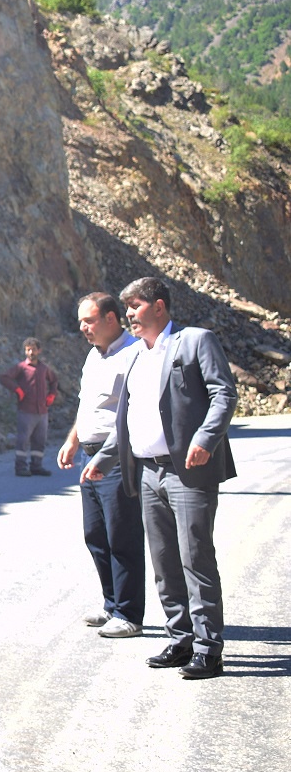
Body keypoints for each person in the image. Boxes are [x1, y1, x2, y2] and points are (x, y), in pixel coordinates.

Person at [83, 277, 238, 679]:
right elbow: (126, 420)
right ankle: (180, 638)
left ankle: (208, 649)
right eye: (127, 308)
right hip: (148, 472)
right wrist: (104, 457)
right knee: (165, 561)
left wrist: (206, 438)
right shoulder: (136, 356)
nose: (129, 315)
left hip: (188, 472)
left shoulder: (194, 341)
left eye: (134, 306)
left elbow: (224, 393)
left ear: (159, 306)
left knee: (195, 558)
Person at [56, 292, 145, 638]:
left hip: (118, 458)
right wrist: (72, 440)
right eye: (81, 321)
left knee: (122, 535)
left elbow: (134, 411)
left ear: (111, 319)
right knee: (96, 534)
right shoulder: (94, 357)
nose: (82, 328)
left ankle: (129, 613)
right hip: (88, 455)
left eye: (89, 320)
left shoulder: (133, 354)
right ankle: (111, 605)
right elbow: (86, 405)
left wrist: (106, 457)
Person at [0, 337, 59, 476]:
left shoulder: (44, 368)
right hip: (26, 410)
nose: (30, 352)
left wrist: (52, 395)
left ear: (39, 350)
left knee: (40, 440)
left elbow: (54, 380)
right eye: (28, 349)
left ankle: (36, 466)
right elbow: (4, 377)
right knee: (23, 440)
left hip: (42, 411)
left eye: (33, 349)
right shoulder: (21, 367)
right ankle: (20, 467)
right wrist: (17, 390)